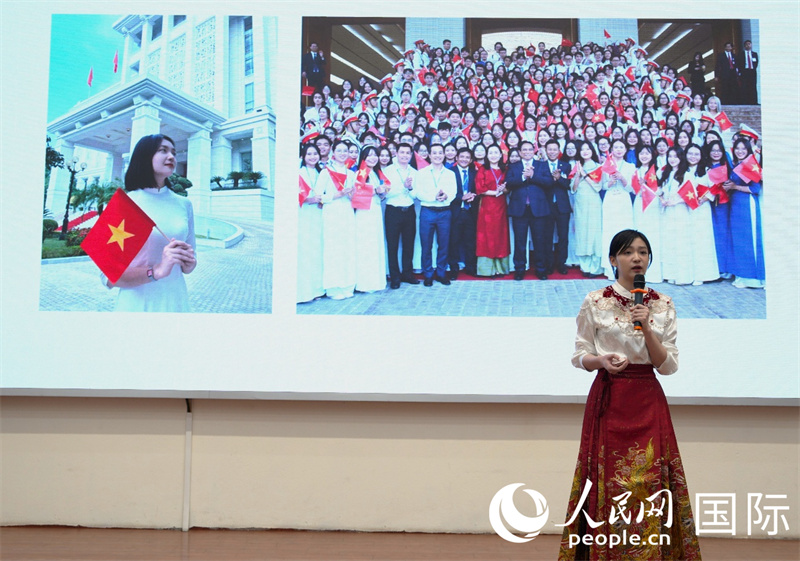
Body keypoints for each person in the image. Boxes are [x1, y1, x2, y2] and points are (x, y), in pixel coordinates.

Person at [558, 229, 702, 561]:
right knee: (610, 482)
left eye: (643, 252)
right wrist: (600, 361)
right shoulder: (595, 300)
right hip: (609, 397)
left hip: (647, 399)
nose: (636, 258)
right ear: (613, 260)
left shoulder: (662, 304)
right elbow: (580, 354)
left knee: (649, 482)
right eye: (627, 252)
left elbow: (667, 366)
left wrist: (647, 327)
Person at [108, 134, 196, 312]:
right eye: (163, 150)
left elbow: (190, 262)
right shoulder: (124, 204)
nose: (171, 156)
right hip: (136, 306)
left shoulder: (184, 204)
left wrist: (189, 263)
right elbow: (109, 277)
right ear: (145, 156)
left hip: (177, 301)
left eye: (173, 152)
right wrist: (156, 271)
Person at [506, 141, 550, 280]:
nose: (526, 152)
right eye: (523, 150)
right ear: (519, 152)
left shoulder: (542, 165)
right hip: (520, 209)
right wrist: (523, 177)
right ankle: (519, 269)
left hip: (538, 209)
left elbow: (549, 182)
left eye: (529, 149)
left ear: (534, 151)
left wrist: (533, 175)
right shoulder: (514, 166)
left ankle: (540, 269)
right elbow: (510, 183)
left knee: (539, 241)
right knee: (520, 242)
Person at [319, 140, 357, 299]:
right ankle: (333, 287)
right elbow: (318, 195)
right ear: (333, 152)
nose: (342, 153)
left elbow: (355, 196)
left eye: (345, 151)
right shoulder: (326, 172)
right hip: (332, 212)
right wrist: (337, 195)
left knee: (347, 248)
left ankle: (348, 285)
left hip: (347, 212)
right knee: (333, 249)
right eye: (339, 150)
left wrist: (350, 194)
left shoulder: (351, 173)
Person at [416, 143, 457, 286]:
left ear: (444, 155)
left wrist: (446, 196)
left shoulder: (450, 173)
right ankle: (428, 274)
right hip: (428, 211)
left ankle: (441, 273)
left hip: (444, 212)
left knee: (443, 244)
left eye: (440, 153)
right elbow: (418, 193)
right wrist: (434, 197)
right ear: (429, 155)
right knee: (426, 245)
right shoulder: (421, 173)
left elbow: (454, 192)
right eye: (435, 153)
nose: (438, 155)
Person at [728, 138, 765, 288]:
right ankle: (742, 276)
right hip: (735, 205)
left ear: (748, 150)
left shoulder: (750, 165)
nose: (740, 151)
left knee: (750, 240)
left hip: (747, 204)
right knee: (739, 241)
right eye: (737, 148)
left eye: (743, 148)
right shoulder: (735, 165)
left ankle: (755, 277)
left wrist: (735, 187)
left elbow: (755, 189)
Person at [382, 143, 419, 288]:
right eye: (401, 152)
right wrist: (402, 187)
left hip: (409, 210)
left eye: (407, 153)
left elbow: (416, 195)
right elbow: (386, 193)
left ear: (411, 155)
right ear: (396, 153)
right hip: (393, 211)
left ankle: (407, 274)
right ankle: (395, 277)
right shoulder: (388, 171)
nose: (404, 155)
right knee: (393, 245)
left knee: (409, 245)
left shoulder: (414, 172)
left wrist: (409, 188)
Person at [535, 139, 572, 276]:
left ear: (559, 150)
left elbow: (569, 185)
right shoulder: (540, 165)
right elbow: (539, 183)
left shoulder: (566, 166)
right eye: (549, 149)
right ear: (545, 150)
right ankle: (548, 264)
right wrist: (552, 179)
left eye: (554, 149)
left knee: (563, 237)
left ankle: (561, 264)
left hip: (562, 206)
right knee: (547, 237)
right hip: (546, 206)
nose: (552, 152)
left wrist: (559, 178)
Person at [353, 146, 388, 293]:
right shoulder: (361, 172)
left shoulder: (375, 173)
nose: (373, 158)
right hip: (364, 212)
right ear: (363, 157)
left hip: (375, 210)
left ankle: (376, 281)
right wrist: (375, 191)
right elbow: (357, 192)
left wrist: (382, 193)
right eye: (369, 155)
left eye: (375, 155)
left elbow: (379, 193)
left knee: (376, 244)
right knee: (366, 246)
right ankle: (365, 283)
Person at [474, 144, 511, 277]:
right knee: (486, 235)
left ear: (501, 155)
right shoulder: (483, 169)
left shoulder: (505, 169)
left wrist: (504, 190)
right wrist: (496, 191)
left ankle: (500, 268)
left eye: (496, 152)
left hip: (501, 205)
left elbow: (509, 187)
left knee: (501, 235)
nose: (493, 155)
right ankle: (486, 269)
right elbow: (480, 188)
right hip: (487, 206)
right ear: (487, 155)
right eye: (491, 153)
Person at [570, 141, 603, 277]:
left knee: (593, 233)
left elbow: (597, 187)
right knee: (582, 233)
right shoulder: (577, 166)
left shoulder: (598, 167)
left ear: (592, 150)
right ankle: (585, 266)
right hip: (580, 203)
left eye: (588, 149)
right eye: (582, 149)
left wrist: (584, 174)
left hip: (593, 202)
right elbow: (573, 188)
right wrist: (578, 174)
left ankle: (595, 267)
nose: (585, 151)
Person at [297, 143, 325, 303]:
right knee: (306, 251)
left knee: (318, 250)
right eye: (309, 154)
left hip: (319, 215)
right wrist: (310, 199)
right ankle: (305, 290)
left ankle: (318, 289)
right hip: (304, 214)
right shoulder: (299, 173)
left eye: (315, 154)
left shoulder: (322, 173)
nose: (313, 157)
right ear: (303, 156)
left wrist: (322, 201)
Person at [448, 147, 478, 279]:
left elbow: (478, 190)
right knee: (453, 241)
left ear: (471, 160)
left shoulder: (474, 173)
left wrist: (474, 196)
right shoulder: (450, 172)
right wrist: (461, 197)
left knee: (470, 241)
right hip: (456, 211)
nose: (464, 159)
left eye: (467, 157)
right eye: (462, 157)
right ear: (456, 158)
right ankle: (453, 269)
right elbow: (448, 192)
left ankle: (470, 267)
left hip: (470, 211)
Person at [736, 40, 759, 105]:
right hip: (744, 72)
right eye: (747, 44)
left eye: (749, 44)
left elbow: (756, 63)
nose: (748, 45)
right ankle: (744, 101)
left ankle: (754, 101)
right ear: (744, 46)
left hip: (752, 71)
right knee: (744, 87)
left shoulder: (754, 54)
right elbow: (738, 63)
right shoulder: (741, 54)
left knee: (753, 86)